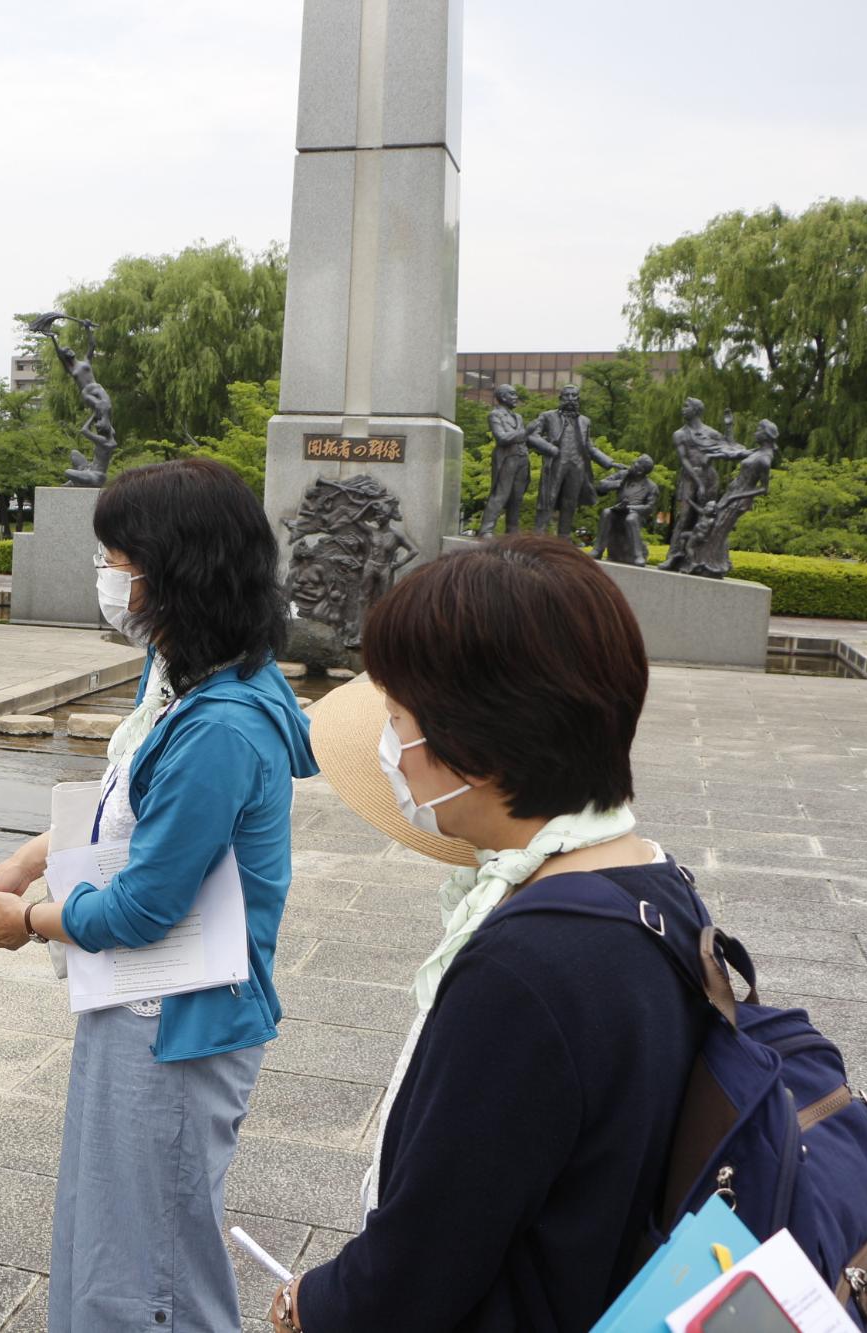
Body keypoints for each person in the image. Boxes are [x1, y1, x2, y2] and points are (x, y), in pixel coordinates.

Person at [266, 536, 704, 1332]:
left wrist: (316, 1304)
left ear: (476, 744)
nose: (387, 748)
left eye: (396, 719)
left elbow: (425, 1260)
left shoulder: (526, 968)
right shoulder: (650, 877)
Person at [0, 457, 318, 1333]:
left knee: (151, 1262)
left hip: (174, 1016)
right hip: (143, 999)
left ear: (174, 570)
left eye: (119, 558)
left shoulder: (220, 724)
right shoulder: (194, 680)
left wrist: (29, 919)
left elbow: (147, 904)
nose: (108, 578)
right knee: (117, 1226)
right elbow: (127, 799)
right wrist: (24, 862)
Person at [661, 397, 749, 571]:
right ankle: (674, 556)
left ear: (696, 410)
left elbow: (731, 446)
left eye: (686, 406)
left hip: (709, 477)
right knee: (685, 516)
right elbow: (684, 459)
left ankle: (705, 557)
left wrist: (729, 426)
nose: (683, 409)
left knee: (707, 517)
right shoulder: (680, 434)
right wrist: (698, 483)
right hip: (690, 477)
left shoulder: (710, 432)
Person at [528, 385, 619, 538]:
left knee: (570, 502)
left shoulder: (585, 421)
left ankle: (564, 537)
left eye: (574, 396)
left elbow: (589, 446)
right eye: (567, 395)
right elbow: (531, 435)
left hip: (577, 465)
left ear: (578, 399)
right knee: (548, 499)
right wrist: (549, 448)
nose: (570, 399)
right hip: (556, 463)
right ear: (560, 398)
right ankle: (539, 534)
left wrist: (610, 462)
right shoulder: (547, 416)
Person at [477, 384, 531, 537]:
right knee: (500, 494)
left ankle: (512, 531)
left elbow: (525, 438)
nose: (516, 398)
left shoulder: (518, 417)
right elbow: (501, 438)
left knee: (517, 497)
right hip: (507, 458)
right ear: (502, 397)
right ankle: (486, 530)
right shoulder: (495, 415)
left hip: (522, 458)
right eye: (512, 394)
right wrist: (526, 432)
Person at [591, 454, 661, 565]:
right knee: (606, 512)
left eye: (635, 464)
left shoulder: (651, 487)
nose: (631, 465)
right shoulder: (623, 475)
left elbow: (649, 508)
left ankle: (638, 555)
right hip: (617, 511)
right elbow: (600, 486)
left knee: (631, 518)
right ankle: (597, 550)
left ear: (640, 471)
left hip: (635, 515)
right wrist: (618, 483)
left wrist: (629, 508)